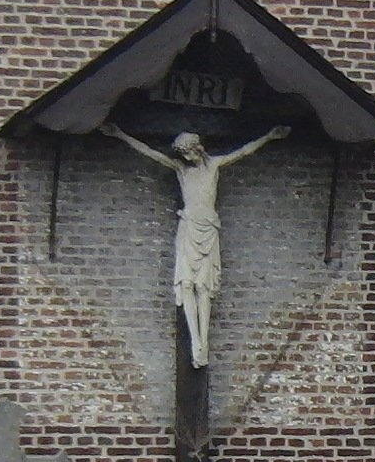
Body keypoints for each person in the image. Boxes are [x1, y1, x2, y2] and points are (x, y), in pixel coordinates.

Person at [104, 122, 287, 368]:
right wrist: (121, 134)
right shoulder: (181, 170)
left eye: (188, 152)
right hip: (189, 227)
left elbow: (244, 151)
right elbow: (150, 152)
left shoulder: (214, 165)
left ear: (198, 148)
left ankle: (204, 341)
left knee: (203, 286)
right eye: (183, 154)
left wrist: (269, 136)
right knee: (187, 283)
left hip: (208, 228)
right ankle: (195, 342)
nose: (187, 158)